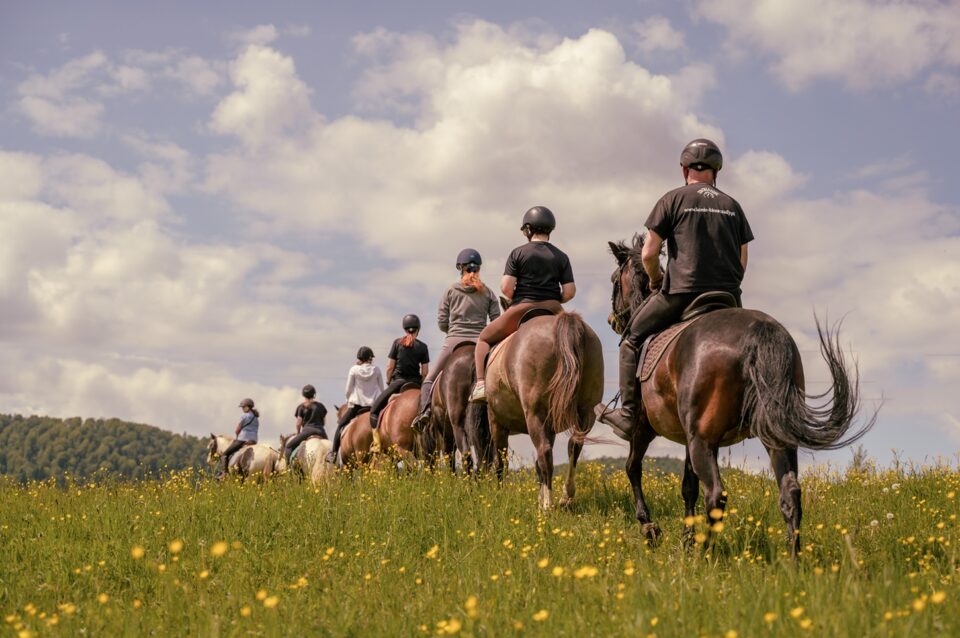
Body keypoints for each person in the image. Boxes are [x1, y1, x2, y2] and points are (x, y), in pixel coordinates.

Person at [596, 138, 753, 440]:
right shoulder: (733, 206)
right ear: (716, 171)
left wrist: (656, 279)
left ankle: (628, 415)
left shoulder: (672, 199)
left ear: (684, 169)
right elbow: (742, 258)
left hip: (682, 294)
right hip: (728, 298)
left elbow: (648, 254)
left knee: (630, 340)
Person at [470, 206, 576, 402]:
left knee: (483, 338)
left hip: (523, 307)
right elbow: (569, 291)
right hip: (554, 309)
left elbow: (506, 288)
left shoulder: (518, 253)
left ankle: (481, 385)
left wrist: (520, 295)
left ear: (528, 229)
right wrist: (554, 298)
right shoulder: (562, 257)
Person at [410, 249, 500, 431]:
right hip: (481, 342)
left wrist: (452, 330)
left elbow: (442, 322)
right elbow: (496, 321)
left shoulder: (450, 291)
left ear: (460, 268)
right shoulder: (488, 293)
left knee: (429, 380)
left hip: (454, 340)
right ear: (478, 269)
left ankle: (425, 412)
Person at [368, 315, 430, 429]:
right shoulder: (423, 347)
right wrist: (422, 384)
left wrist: (388, 380)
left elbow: (389, 367)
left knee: (374, 411)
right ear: (418, 329)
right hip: (416, 383)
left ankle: (376, 437)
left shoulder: (397, 343)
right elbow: (425, 372)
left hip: (398, 382)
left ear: (404, 328)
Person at [325, 346, 384, 463]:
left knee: (340, 426)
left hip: (357, 407)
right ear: (370, 358)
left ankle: (333, 453)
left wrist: (349, 400)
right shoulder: (377, 370)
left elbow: (348, 390)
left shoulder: (354, 369)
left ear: (359, 358)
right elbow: (382, 389)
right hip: (373, 408)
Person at [282, 384, 328, 464]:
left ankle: (288, 467)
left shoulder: (301, 407)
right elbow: (324, 422)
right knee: (331, 449)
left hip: (307, 432)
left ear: (303, 395)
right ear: (314, 394)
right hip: (321, 431)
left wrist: (298, 433)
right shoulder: (321, 406)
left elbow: (298, 423)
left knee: (288, 447)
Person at [219, 397, 259, 478]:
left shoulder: (244, 416)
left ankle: (224, 473)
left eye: (243, 407)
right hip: (253, 440)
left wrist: (237, 437)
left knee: (224, 454)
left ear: (248, 407)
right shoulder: (256, 418)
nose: (242, 409)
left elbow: (237, 430)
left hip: (243, 439)